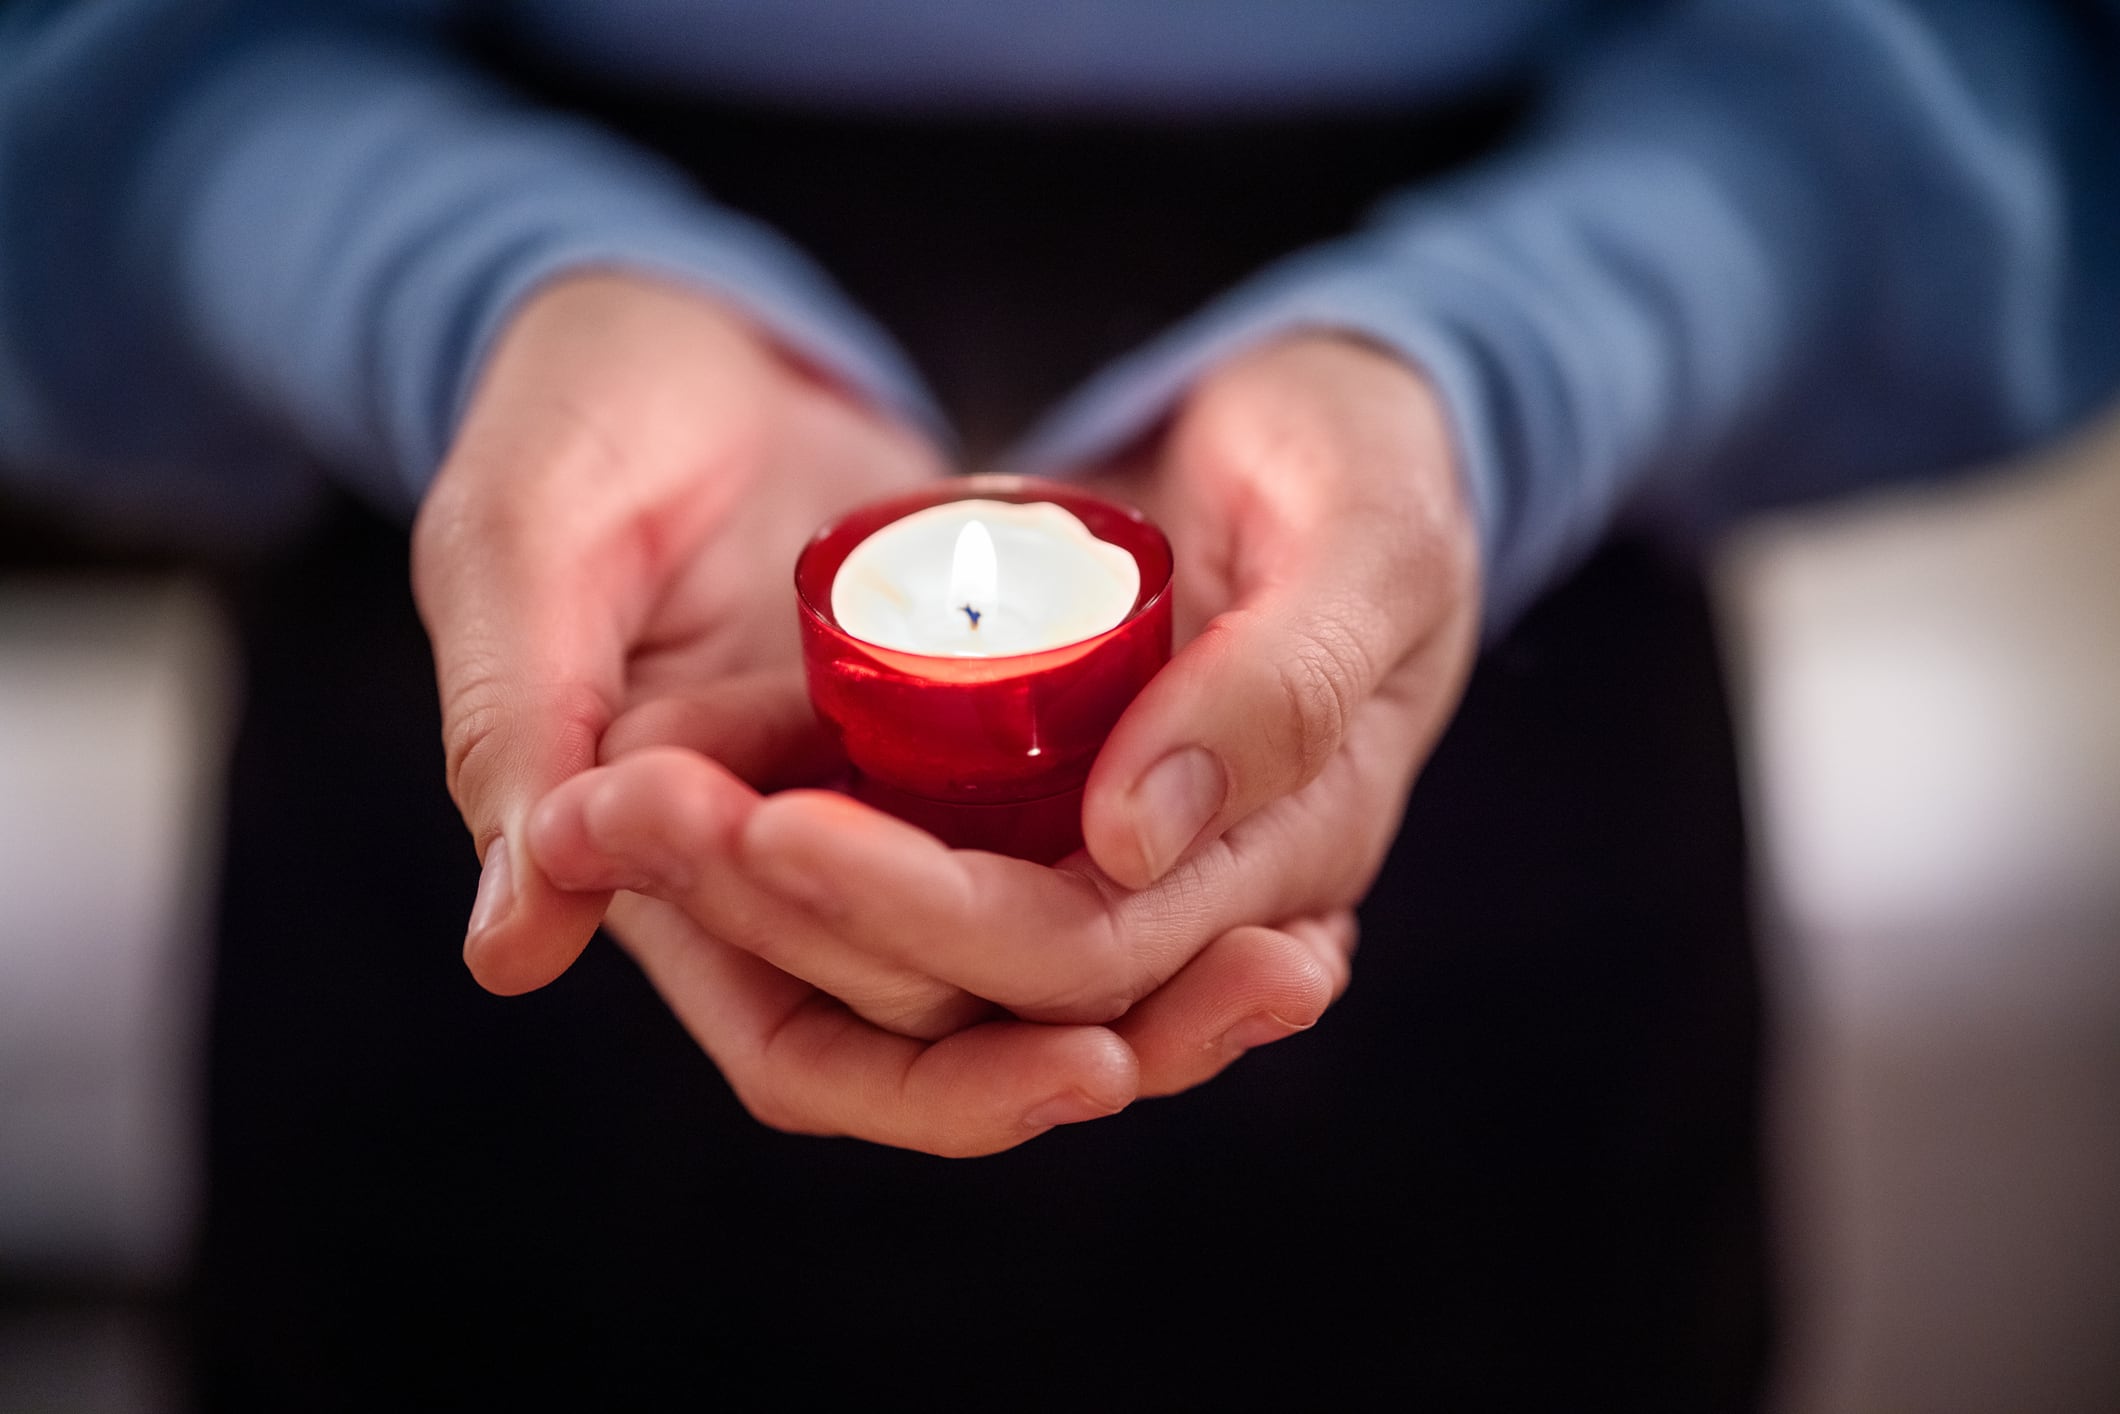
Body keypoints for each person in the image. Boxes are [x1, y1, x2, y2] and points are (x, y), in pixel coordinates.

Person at [3, 0, 2118, 1405]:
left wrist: (1501, 367)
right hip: (552, 577)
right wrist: (452, 287)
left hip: (1471, 659)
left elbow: (2011, 72)